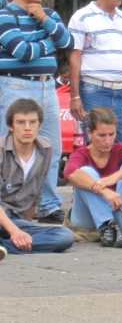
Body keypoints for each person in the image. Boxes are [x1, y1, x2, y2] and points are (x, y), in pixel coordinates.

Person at [0, 0, 73, 224]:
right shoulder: (4, 16)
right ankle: (8, 205)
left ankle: (49, 205)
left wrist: (43, 19)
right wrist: (48, 41)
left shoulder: (49, 14)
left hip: (46, 86)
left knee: (51, 147)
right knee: (11, 148)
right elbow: (22, 52)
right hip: (16, 86)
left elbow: (68, 42)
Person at [68, 0, 122, 145]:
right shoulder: (82, 17)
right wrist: (75, 96)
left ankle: (119, 175)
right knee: (96, 145)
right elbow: (74, 56)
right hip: (93, 91)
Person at [64, 107, 122, 248]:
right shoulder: (81, 153)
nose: (108, 141)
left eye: (111, 134)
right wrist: (103, 190)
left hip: (118, 207)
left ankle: (114, 226)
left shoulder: (120, 149)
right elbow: (70, 174)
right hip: (86, 218)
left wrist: (115, 177)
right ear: (90, 133)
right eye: (102, 135)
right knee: (86, 172)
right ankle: (115, 223)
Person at [0, 99, 74, 254]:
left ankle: (5, 246)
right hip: (3, 216)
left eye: (32, 122)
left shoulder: (45, 148)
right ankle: (9, 242)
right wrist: (15, 232)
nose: (27, 128)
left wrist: (24, 232)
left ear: (40, 126)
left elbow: (35, 196)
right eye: (20, 122)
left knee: (64, 236)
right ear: (10, 126)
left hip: (16, 219)